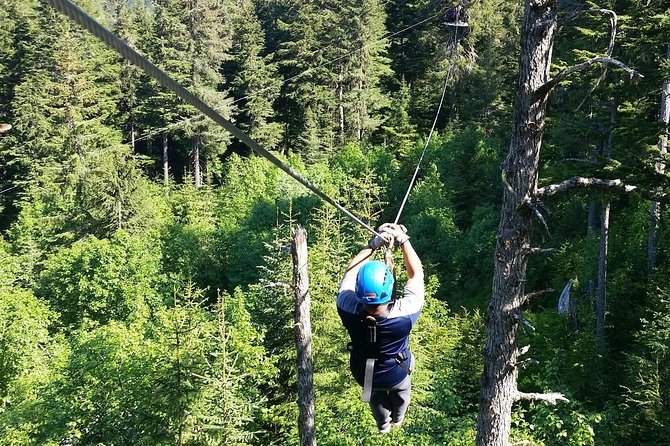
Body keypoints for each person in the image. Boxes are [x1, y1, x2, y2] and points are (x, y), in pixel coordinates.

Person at [336, 223, 424, 433]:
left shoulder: (346, 307)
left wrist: (373, 244)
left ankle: (383, 425)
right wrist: (403, 239)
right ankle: (398, 419)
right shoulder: (404, 314)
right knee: (402, 395)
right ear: (390, 287)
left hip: (364, 373)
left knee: (374, 398)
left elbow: (349, 273)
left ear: (358, 289)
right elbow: (416, 275)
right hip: (396, 372)